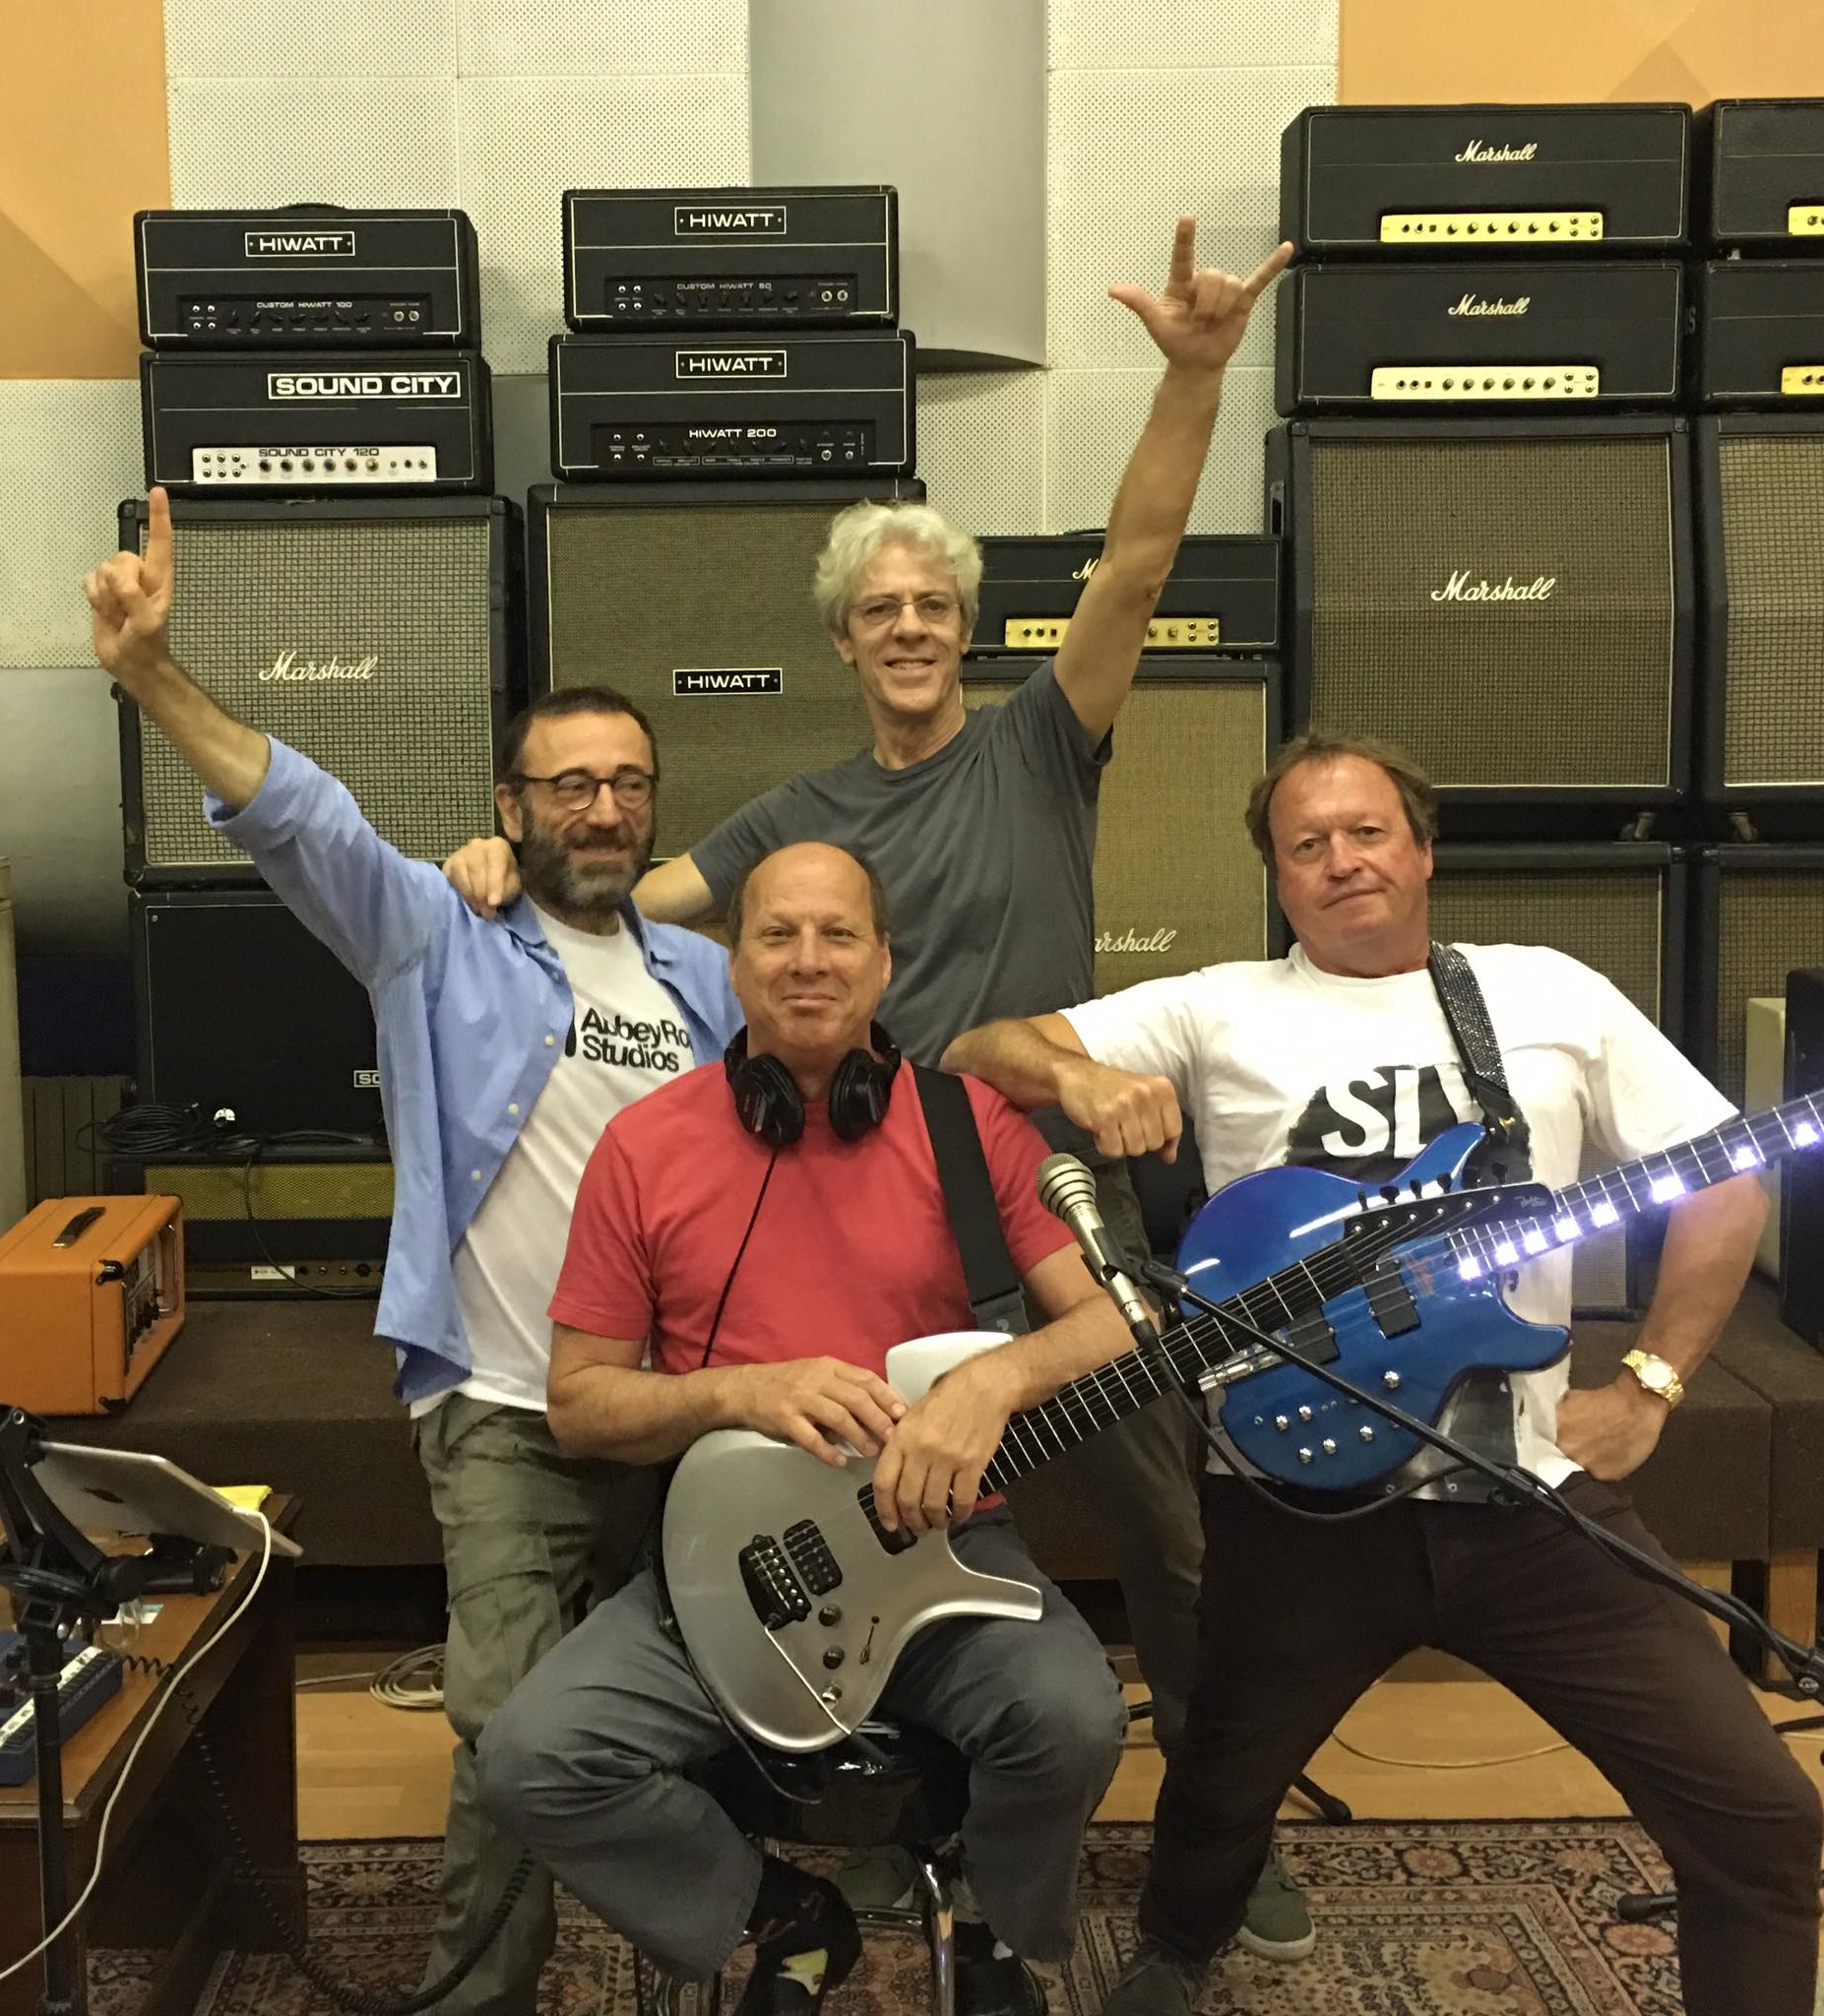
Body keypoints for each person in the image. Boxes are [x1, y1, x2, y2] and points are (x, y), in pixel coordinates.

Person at [450, 228, 1312, 1957]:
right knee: (862, 1524)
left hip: (1043, 1199)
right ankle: (855, 1801)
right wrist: (506, 863)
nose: (910, 626)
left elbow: (1138, 564)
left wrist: (1196, 376)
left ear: (966, 628)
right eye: (880, 609)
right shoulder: (799, 824)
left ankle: (1222, 1832)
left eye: (934, 604)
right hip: (863, 1198)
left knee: (1172, 1544)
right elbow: (626, 900)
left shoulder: (1039, 740)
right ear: (843, 638)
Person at [943, 727, 1823, 2016]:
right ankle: (1177, 1946)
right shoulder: (1219, 1004)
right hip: (1292, 1502)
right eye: (1306, 843)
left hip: (1526, 1496)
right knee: (1221, 1784)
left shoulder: (1549, 994)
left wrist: (1650, 1381)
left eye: (1367, 831)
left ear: (1422, 849)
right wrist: (1078, 1073)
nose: (1341, 860)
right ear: (1278, 876)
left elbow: (1725, 1173)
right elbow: (981, 1049)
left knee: (1760, 1817)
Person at [83, 489, 742, 2016]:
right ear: (511, 806)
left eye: (627, 785)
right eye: (568, 785)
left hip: (689, 1415)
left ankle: (708, 1960)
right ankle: (478, 1995)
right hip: (507, 1409)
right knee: (509, 1730)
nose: (602, 810)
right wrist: (155, 676)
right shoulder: (433, 938)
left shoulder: (708, 981)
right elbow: (304, 818)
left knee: (709, 1705)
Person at [476, 841, 1137, 2016]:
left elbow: (1115, 1323)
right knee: (534, 1756)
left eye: (839, 934)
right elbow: (579, 1401)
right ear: (732, 964)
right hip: (726, 1568)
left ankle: (989, 1912)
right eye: (777, 933)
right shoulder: (645, 1145)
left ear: (884, 963)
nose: (808, 959)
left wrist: (992, 1381)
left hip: (945, 1545)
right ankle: (778, 1914)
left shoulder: (969, 1123)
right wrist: (733, 1391)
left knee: (1075, 1720)